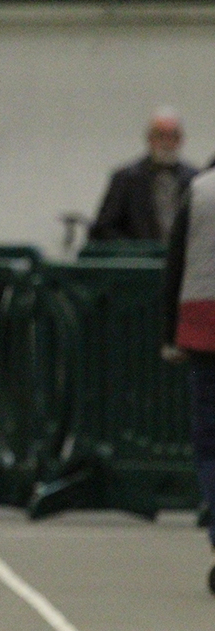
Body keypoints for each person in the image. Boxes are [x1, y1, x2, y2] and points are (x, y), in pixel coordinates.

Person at [161, 161, 215, 594]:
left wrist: (168, 335)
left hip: (203, 332)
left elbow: (174, 266)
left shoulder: (197, 190)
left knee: (210, 445)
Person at [90, 107, 200, 242]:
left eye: (172, 136)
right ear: (149, 138)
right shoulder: (126, 179)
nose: (166, 143)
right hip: (136, 260)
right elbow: (104, 228)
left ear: (180, 140)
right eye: (160, 135)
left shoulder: (195, 179)